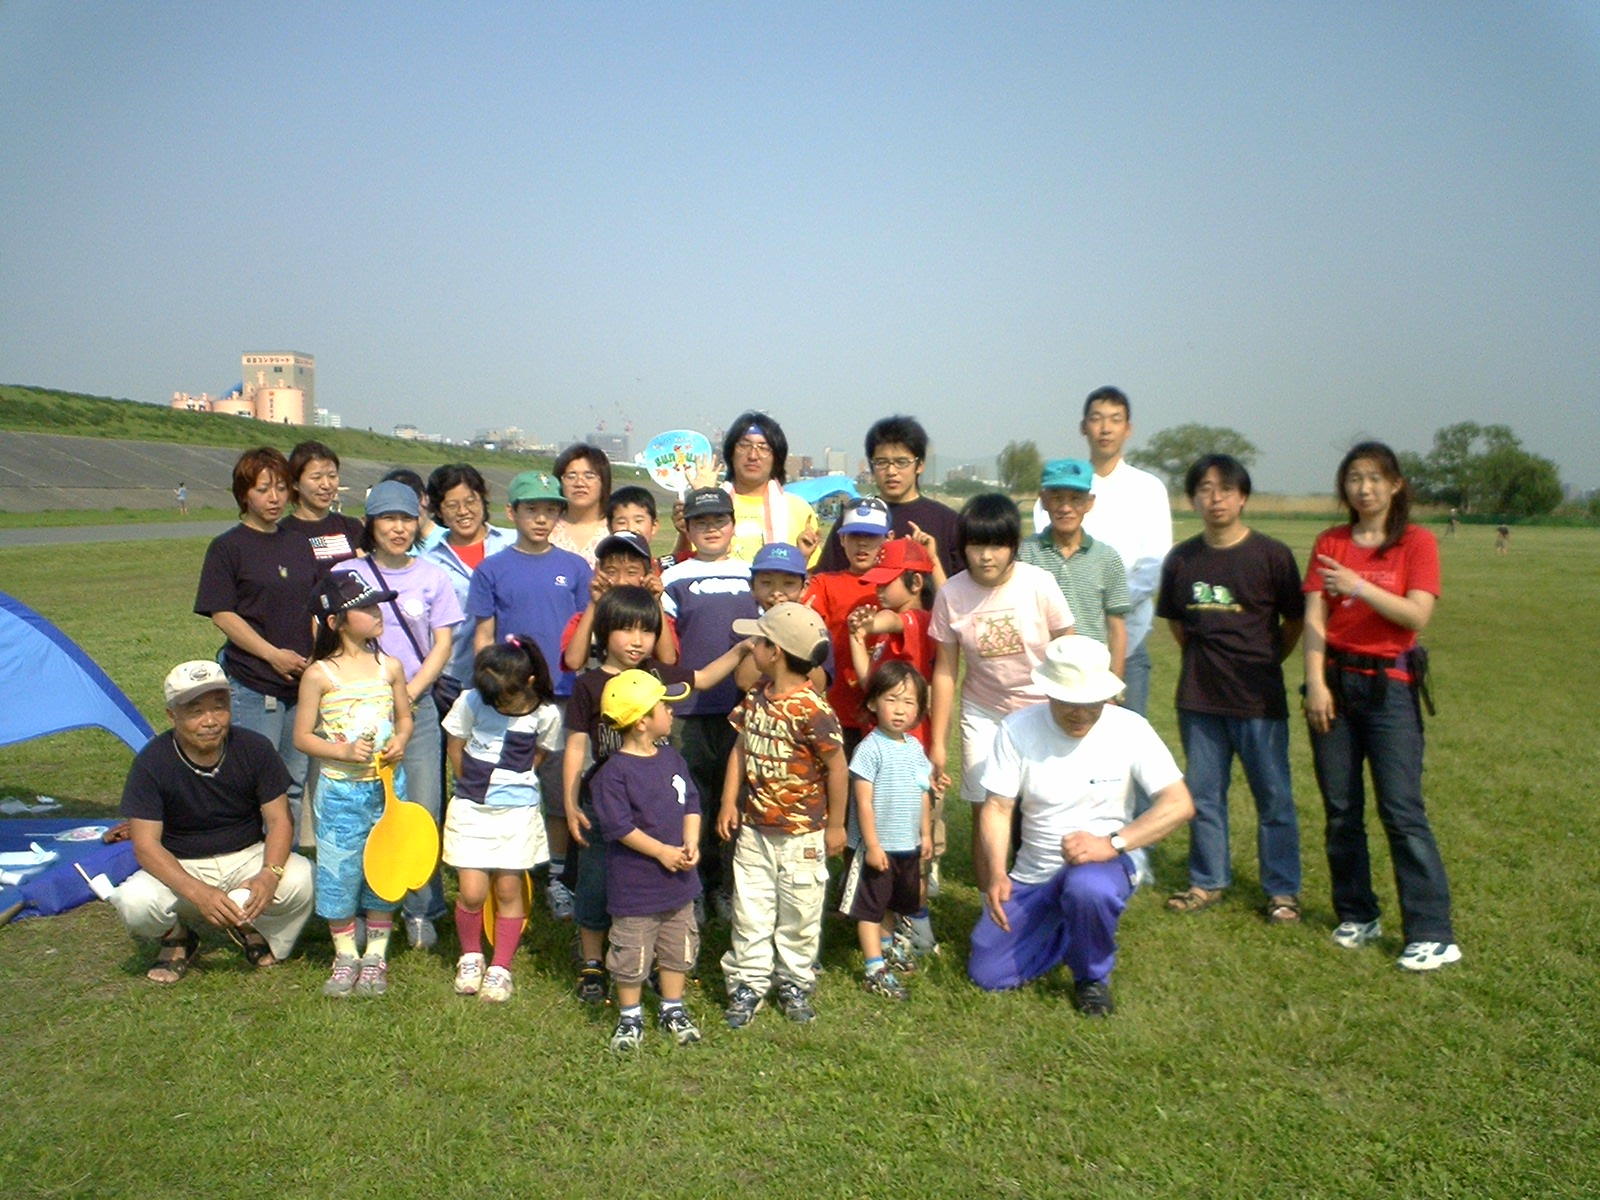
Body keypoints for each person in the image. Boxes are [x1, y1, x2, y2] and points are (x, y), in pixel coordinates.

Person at [968, 636, 1194, 1016]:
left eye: (1091, 703)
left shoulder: (1131, 728)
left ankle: (1091, 977)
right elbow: (997, 808)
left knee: (1088, 888)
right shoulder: (1017, 728)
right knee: (988, 974)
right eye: (1067, 702)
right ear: (1047, 692)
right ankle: (1072, 928)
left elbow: (1179, 803)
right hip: (1034, 872)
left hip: (1104, 864)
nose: (1080, 713)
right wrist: (995, 872)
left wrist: (1112, 843)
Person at [1303, 441, 1458, 971]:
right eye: (1354, 478)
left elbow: (1416, 616)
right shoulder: (1330, 541)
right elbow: (1315, 617)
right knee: (1341, 809)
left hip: (1389, 687)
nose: (1364, 488)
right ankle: (1357, 914)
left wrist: (1359, 585)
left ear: (1395, 485)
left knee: (1401, 810)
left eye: (1374, 478)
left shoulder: (1416, 542)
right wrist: (1315, 684)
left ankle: (1432, 933)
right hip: (1335, 685)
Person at [561, 586, 749, 1005]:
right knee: (595, 881)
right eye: (626, 630)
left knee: (652, 878)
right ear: (604, 631)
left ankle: (652, 956)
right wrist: (571, 801)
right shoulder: (589, 684)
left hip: (655, 803)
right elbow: (576, 746)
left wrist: (741, 651)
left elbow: (702, 678)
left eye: (647, 630)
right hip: (603, 803)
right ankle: (592, 960)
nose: (637, 641)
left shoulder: (656, 676)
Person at [1157, 455, 1305, 923]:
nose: (1215, 498)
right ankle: (1207, 880)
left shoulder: (1272, 555)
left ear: (1242, 497)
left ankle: (1282, 891)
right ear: (1193, 499)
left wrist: (1266, 660)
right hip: (1199, 699)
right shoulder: (1182, 559)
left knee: (1274, 797)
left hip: (1259, 699)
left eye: (1225, 489)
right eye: (1205, 489)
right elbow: (1178, 624)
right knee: (1204, 797)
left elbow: (1294, 622)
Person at [111, 660, 314, 983]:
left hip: (246, 857)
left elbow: (279, 820)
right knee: (133, 902)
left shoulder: (254, 748)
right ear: (172, 715)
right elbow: (146, 845)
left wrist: (269, 875)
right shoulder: (152, 761)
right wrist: (198, 892)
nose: (210, 721)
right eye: (195, 711)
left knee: (304, 877)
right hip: (181, 865)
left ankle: (253, 925)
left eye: (219, 707)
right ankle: (177, 937)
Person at [928, 493, 1074, 892]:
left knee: (1043, 805)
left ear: (1014, 546)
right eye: (976, 545)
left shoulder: (1039, 584)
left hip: (1042, 709)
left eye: (997, 545)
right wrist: (938, 743)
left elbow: (1068, 644)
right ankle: (989, 900)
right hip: (984, 711)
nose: (986, 556)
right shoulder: (951, 594)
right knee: (985, 804)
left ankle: (1044, 891)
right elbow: (945, 671)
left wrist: (1076, 704)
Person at [467, 470, 592, 919]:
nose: (541, 519)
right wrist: (490, 688)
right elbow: (484, 635)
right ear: (512, 512)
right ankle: (505, 867)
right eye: (532, 509)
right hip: (511, 697)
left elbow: (585, 632)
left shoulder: (575, 567)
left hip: (562, 694)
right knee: (508, 783)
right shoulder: (491, 568)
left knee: (559, 788)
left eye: (550, 510)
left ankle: (557, 875)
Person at [344, 480, 463, 949]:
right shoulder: (347, 572)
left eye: (407, 519)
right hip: (357, 711)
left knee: (422, 808)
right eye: (388, 519)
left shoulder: (433, 576)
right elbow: (328, 635)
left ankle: (422, 907)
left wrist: (408, 694)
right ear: (370, 524)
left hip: (418, 708)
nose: (398, 528)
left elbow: (442, 644)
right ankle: (363, 906)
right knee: (363, 810)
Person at [718, 603, 845, 1028]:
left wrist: (836, 825)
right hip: (755, 829)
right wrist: (729, 801)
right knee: (750, 909)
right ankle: (748, 982)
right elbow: (740, 748)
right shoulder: (757, 696)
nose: (751, 646)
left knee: (800, 914)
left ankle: (794, 981)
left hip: (802, 835)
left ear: (775, 652)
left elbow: (837, 768)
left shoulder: (812, 709)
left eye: (758, 641)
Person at [293, 571, 413, 998]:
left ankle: (376, 956)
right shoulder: (320, 675)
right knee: (339, 871)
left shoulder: (389, 667)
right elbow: (302, 736)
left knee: (384, 868)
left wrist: (400, 741)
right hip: (340, 793)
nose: (377, 613)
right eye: (365, 608)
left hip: (388, 789)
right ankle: (345, 956)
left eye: (376, 605)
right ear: (335, 622)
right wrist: (342, 751)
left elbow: (404, 718)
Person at [194, 447, 323, 839]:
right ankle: (250, 860)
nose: (274, 498)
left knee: (294, 782)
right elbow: (222, 613)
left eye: (281, 488)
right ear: (244, 493)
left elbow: (312, 606)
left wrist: (315, 658)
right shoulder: (228, 547)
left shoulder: (297, 543)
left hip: (300, 684)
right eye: (263, 489)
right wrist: (272, 655)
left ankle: (287, 863)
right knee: (255, 783)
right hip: (254, 682)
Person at [1032, 387, 1171, 717]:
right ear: (1084, 427)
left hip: (1128, 639)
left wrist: (1109, 606)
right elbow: (1045, 565)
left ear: (1128, 428)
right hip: (1062, 645)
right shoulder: (1061, 490)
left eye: (1115, 419)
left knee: (1124, 735)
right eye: (1097, 419)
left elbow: (1155, 564)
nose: (1105, 428)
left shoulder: (1148, 488)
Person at [442, 637, 563, 1002]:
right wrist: (471, 785)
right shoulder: (472, 701)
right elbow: (455, 744)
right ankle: (471, 956)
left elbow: (541, 753)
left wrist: (515, 781)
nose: (497, 703)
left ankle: (501, 968)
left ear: (528, 682)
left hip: (517, 815)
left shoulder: (546, 714)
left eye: (504, 697)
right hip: (471, 809)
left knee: (509, 890)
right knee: (471, 892)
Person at [591, 670, 705, 1050]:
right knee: (631, 952)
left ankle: (673, 1007)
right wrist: (661, 852)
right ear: (642, 722)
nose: (671, 712)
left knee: (677, 947)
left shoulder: (672, 757)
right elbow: (619, 827)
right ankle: (630, 1015)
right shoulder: (613, 774)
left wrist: (690, 842)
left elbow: (691, 802)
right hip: (636, 888)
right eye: (664, 706)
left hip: (678, 884)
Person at [660, 487, 759, 910]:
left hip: (743, 706)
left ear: (733, 525)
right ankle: (694, 885)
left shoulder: (753, 573)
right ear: (687, 527)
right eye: (701, 522)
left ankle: (728, 885)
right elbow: (664, 646)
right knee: (692, 799)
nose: (711, 528)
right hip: (688, 709)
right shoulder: (672, 578)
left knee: (735, 799)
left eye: (719, 520)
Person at [840, 662, 935, 1001]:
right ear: (872, 703)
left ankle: (887, 945)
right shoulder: (869, 749)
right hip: (875, 847)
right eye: (891, 699)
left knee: (892, 903)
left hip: (906, 845)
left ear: (919, 710)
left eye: (908, 702)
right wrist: (872, 845)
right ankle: (874, 968)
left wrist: (925, 834)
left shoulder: (915, 748)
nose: (899, 710)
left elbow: (923, 793)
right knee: (870, 908)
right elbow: (863, 803)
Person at [419, 463, 516, 722]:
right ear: (439, 510)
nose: (463, 512)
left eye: (470, 501)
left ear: (483, 499)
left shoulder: (513, 543)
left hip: (514, 672)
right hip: (453, 679)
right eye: (452, 505)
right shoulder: (428, 562)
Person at [815, 415, 960, 585]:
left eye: (901, 462)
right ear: (871, 466)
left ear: (920, 465)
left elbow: (965, 590)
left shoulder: (948, 522)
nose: (891, 471)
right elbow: (826, 578)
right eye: (881, 462)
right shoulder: (854, 518)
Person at [1021, 457, 1130, 674]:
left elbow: (1117, 628)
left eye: (1075, 499)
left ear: (1089, 502)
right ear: (1043, 500)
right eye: (1056, 498)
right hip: (1041, 670)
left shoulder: (1107, 558)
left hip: (1092, 670)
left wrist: (1115, 681)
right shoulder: (1025, 553)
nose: (1065, 508)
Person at [803, 497, 891, 755]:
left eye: (871, 536)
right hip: (838, 706)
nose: (862, 544)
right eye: (854, 536)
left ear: (888, 538)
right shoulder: (824, 583)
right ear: (841, 539)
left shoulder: (897, 586)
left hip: (888, 707)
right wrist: (802, 558)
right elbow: (798, 615)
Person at [684, 411, 819, 564]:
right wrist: (684, 529)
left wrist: (803, 558)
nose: (753, 456)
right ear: (730, 453)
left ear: (777, 457)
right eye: (744, 445)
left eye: (763, 447)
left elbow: (811, 571)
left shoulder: (798, 509)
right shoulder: (707, 507)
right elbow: (684, 562)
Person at [846, 537, 937, 750]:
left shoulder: (920, 620)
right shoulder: (887, 633)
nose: (878, 589)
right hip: (880, 738)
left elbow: (893, 620)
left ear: (916, 583)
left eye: (886, 583)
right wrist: (856, 634)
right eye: (878, 583)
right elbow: (870, 682)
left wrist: (871, 624)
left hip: (908, 740)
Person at [284, 440, 364, 565]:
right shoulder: (284, 532)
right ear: (295, 483)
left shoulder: (352, 527)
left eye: (332, 476)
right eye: (316, 477)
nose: (326, 485)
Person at [550, 443, 612, 565]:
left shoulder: (614, 529)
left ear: (603, 481)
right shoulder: (547, 529)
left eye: (589, 476)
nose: (579, 483)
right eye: (571, 476)